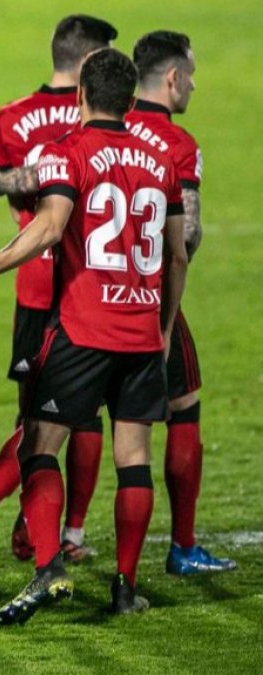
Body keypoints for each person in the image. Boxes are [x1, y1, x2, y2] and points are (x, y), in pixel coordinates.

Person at [0, 47, 188, 622]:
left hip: (82, 330)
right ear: (132, 102)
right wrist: (165, 323)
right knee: (134, 461)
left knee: (38, 445)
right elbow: (177, 255)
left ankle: (49, 565)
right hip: (141, 332)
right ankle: (126, 588)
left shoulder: (66, 153)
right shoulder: (162, 161)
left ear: (79, 94)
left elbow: (50, 228)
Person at [0, 14, 119, 576]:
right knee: (83, 418)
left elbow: (14, 200)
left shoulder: (13, 117)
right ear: (88, 67)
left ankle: (10, 523)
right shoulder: (102, 128)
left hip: (33, 280)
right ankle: (63, 533)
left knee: (34, 418)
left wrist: (15, 181)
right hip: (90, 284)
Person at [127, 30, 235, 576]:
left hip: (86, 295)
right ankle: (184, 547)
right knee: (182, 406)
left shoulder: (106, 122)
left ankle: (22, 528)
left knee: (55, 421)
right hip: (147, 297)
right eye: (190, 74)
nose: (192, 84)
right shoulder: (177, 143)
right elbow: (184, 239)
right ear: (172, 78)